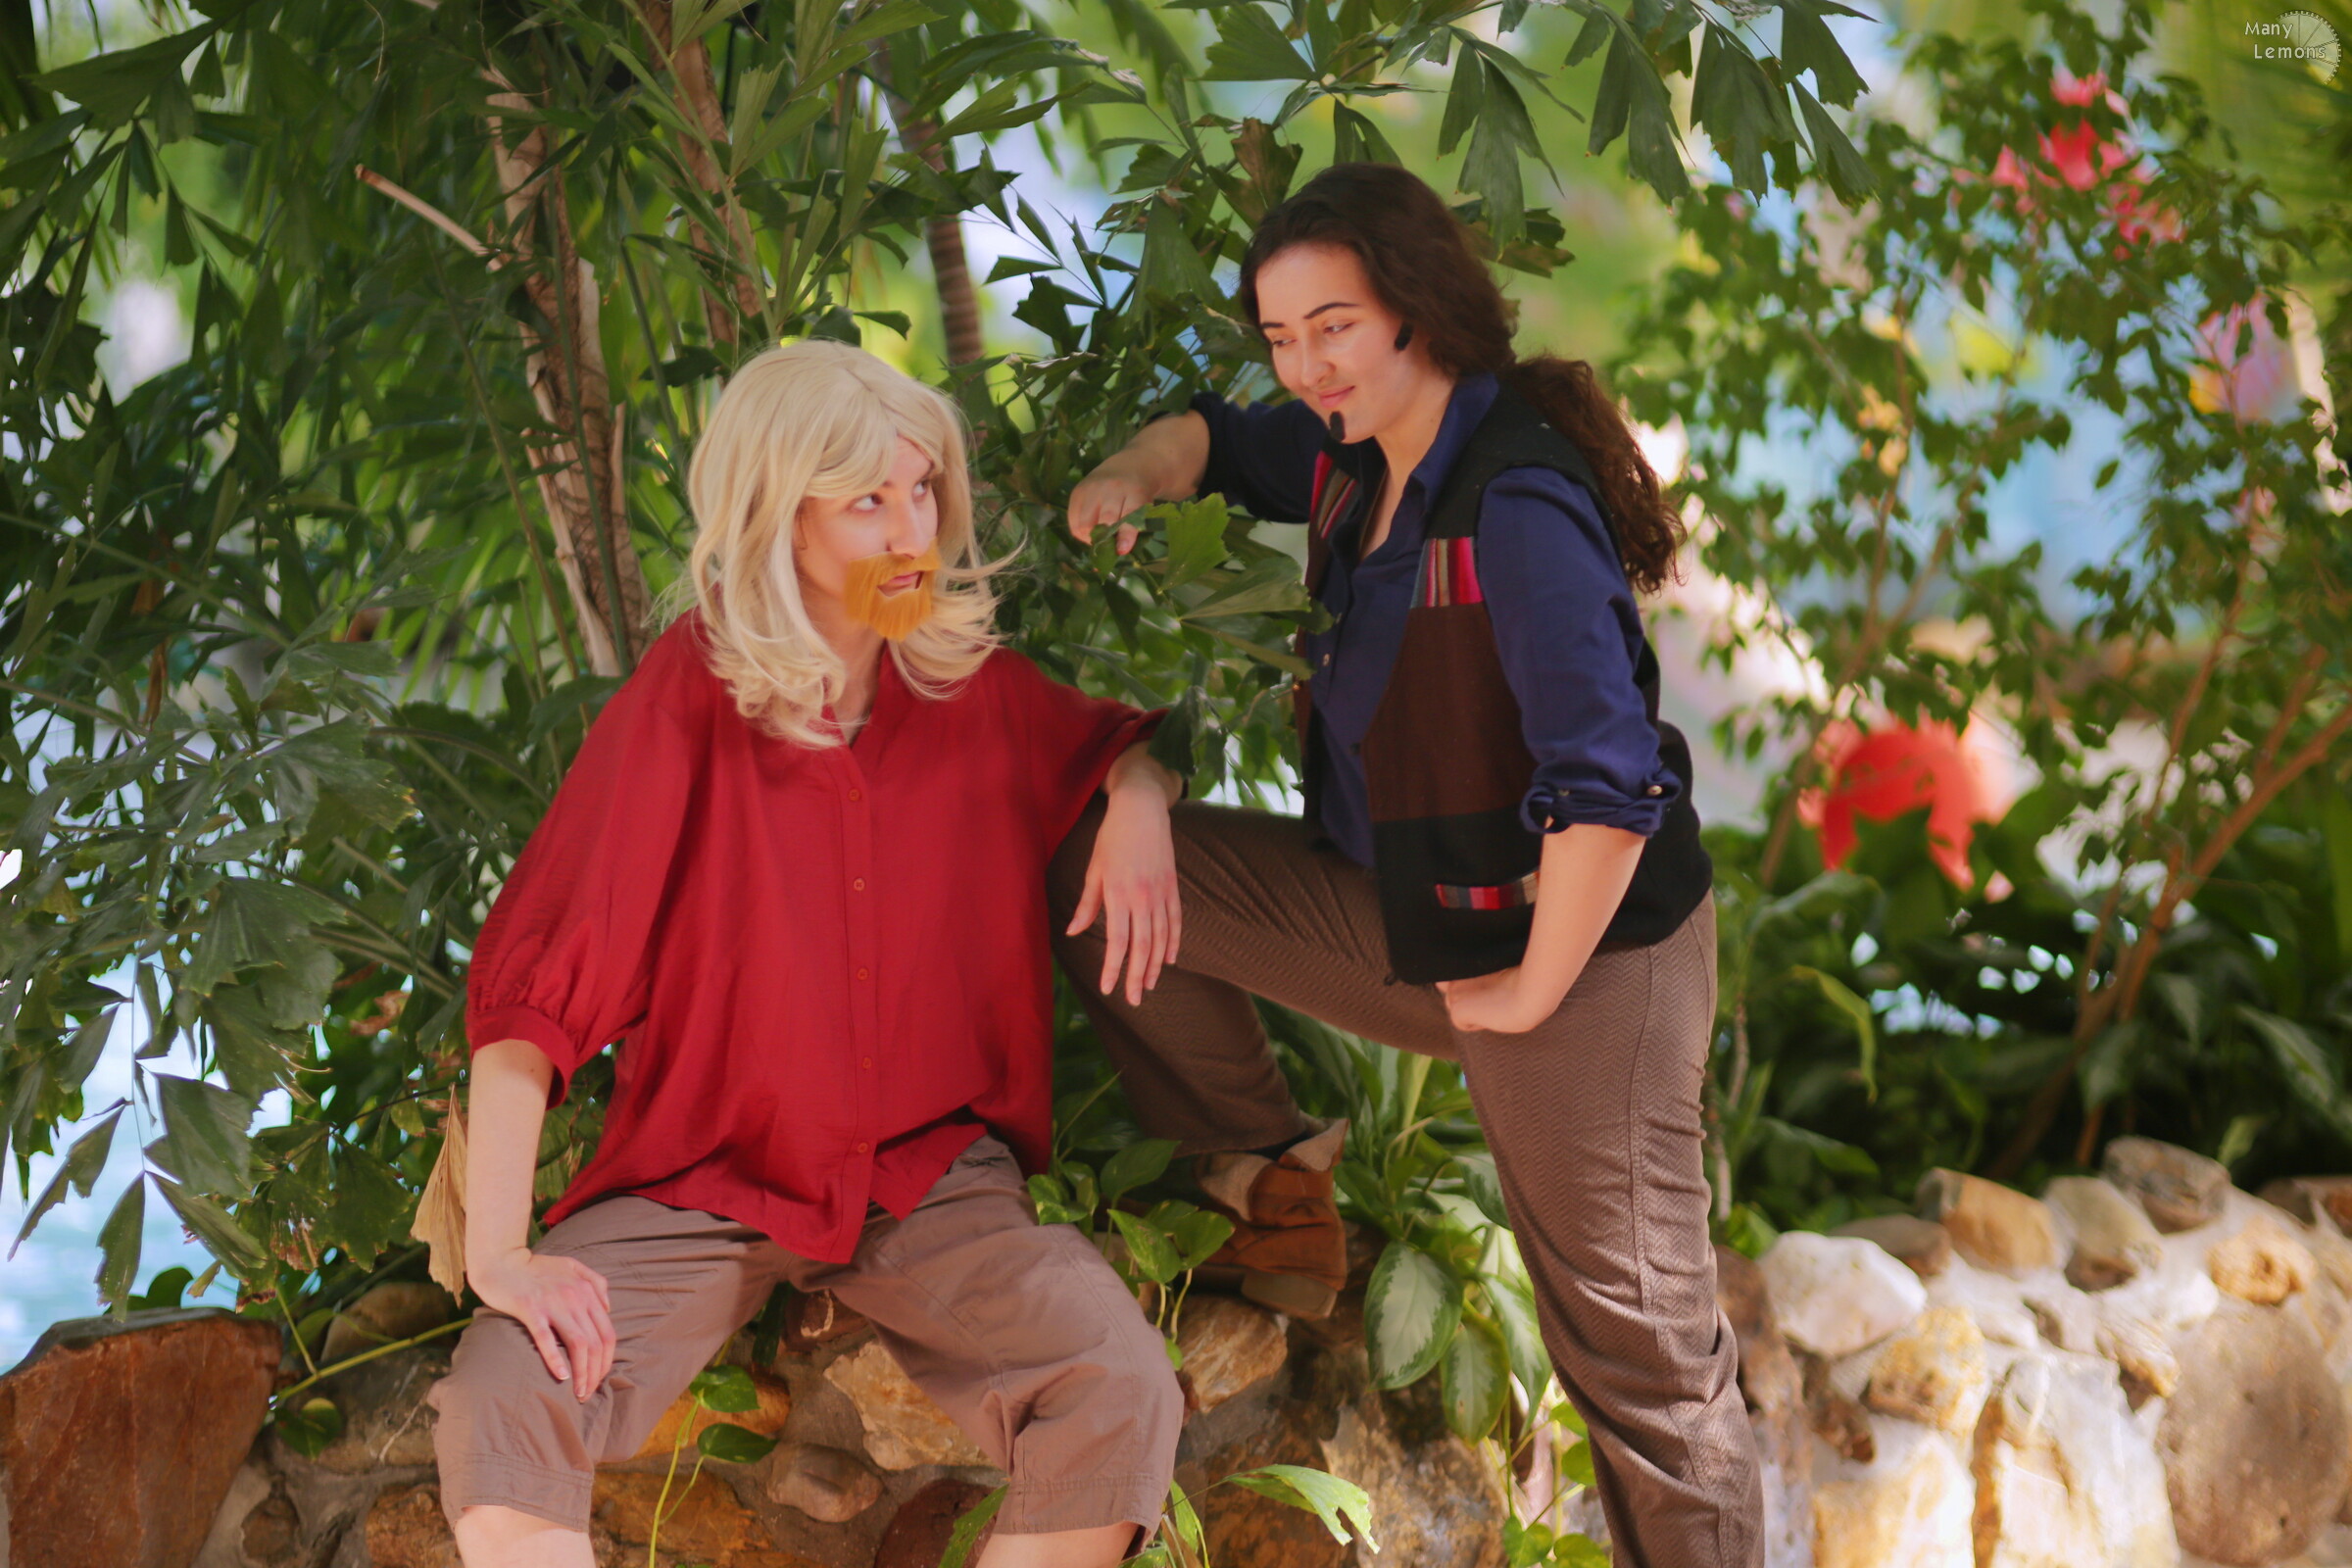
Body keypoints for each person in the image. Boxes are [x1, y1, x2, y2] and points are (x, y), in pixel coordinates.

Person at [1054, 164, 1761, 1568]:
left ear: (1417, 311)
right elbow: (1211, 439)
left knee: (1639, 1361)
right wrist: (1129, 479)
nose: (1306, 365)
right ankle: (1273, 1194)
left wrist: (1531, 992)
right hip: (1418, 917)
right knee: (1087, 869)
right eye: (1281, 337)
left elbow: (1611, 787)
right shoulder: (1353, 454)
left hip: (1588, 958)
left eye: (1334, 327)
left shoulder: (1515, 505)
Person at [429, 339, 1189, 1568]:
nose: (913, 530)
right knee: (502, 1398)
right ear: (781, 517)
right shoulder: (688, 698)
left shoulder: (973, 692)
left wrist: (1141, 793)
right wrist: (503, 1257)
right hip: (703, 1180)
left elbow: (1114, 742)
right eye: (867, 501)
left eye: (922, 489)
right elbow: (537, 990)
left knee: (1121, 1384)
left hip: (931, 1181)